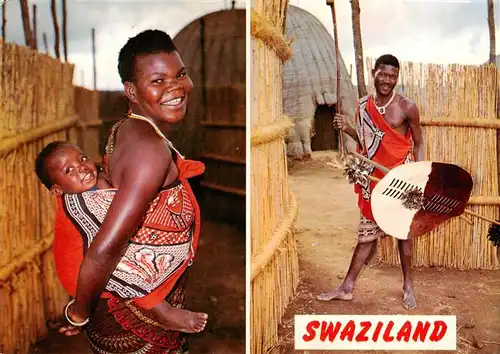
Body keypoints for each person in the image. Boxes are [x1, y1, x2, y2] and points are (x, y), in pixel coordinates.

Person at [50, 29, 208, 353]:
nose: (177, 88)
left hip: (122, 314)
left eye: (180, 75)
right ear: (131, 91)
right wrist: (78, 311)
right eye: (158, 81)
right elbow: (105, 249)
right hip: (135, 328)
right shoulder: (149, 151)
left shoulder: (128, 126)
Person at [34, 141, 207, 334]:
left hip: (104, 252)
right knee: (115, 261)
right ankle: (159, 308)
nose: (81, 168)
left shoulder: (102, 177)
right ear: (58, 190)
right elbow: (96, 247)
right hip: (82, 267)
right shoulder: (75, 205)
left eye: (82, 159)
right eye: (69, 170)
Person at [317, 54, 424, 310]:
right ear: (374, 72)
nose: (388, 81)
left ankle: (408, 286)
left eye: (393, 76)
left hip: (400, 179)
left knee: (403, 234)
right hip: (376, 180)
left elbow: (418, 143)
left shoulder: (407, 106)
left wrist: (418, 176)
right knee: (366, 234)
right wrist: (349, 128)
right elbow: (367, 143)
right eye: (383, 75)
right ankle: (347, 287)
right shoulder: (364, 106)